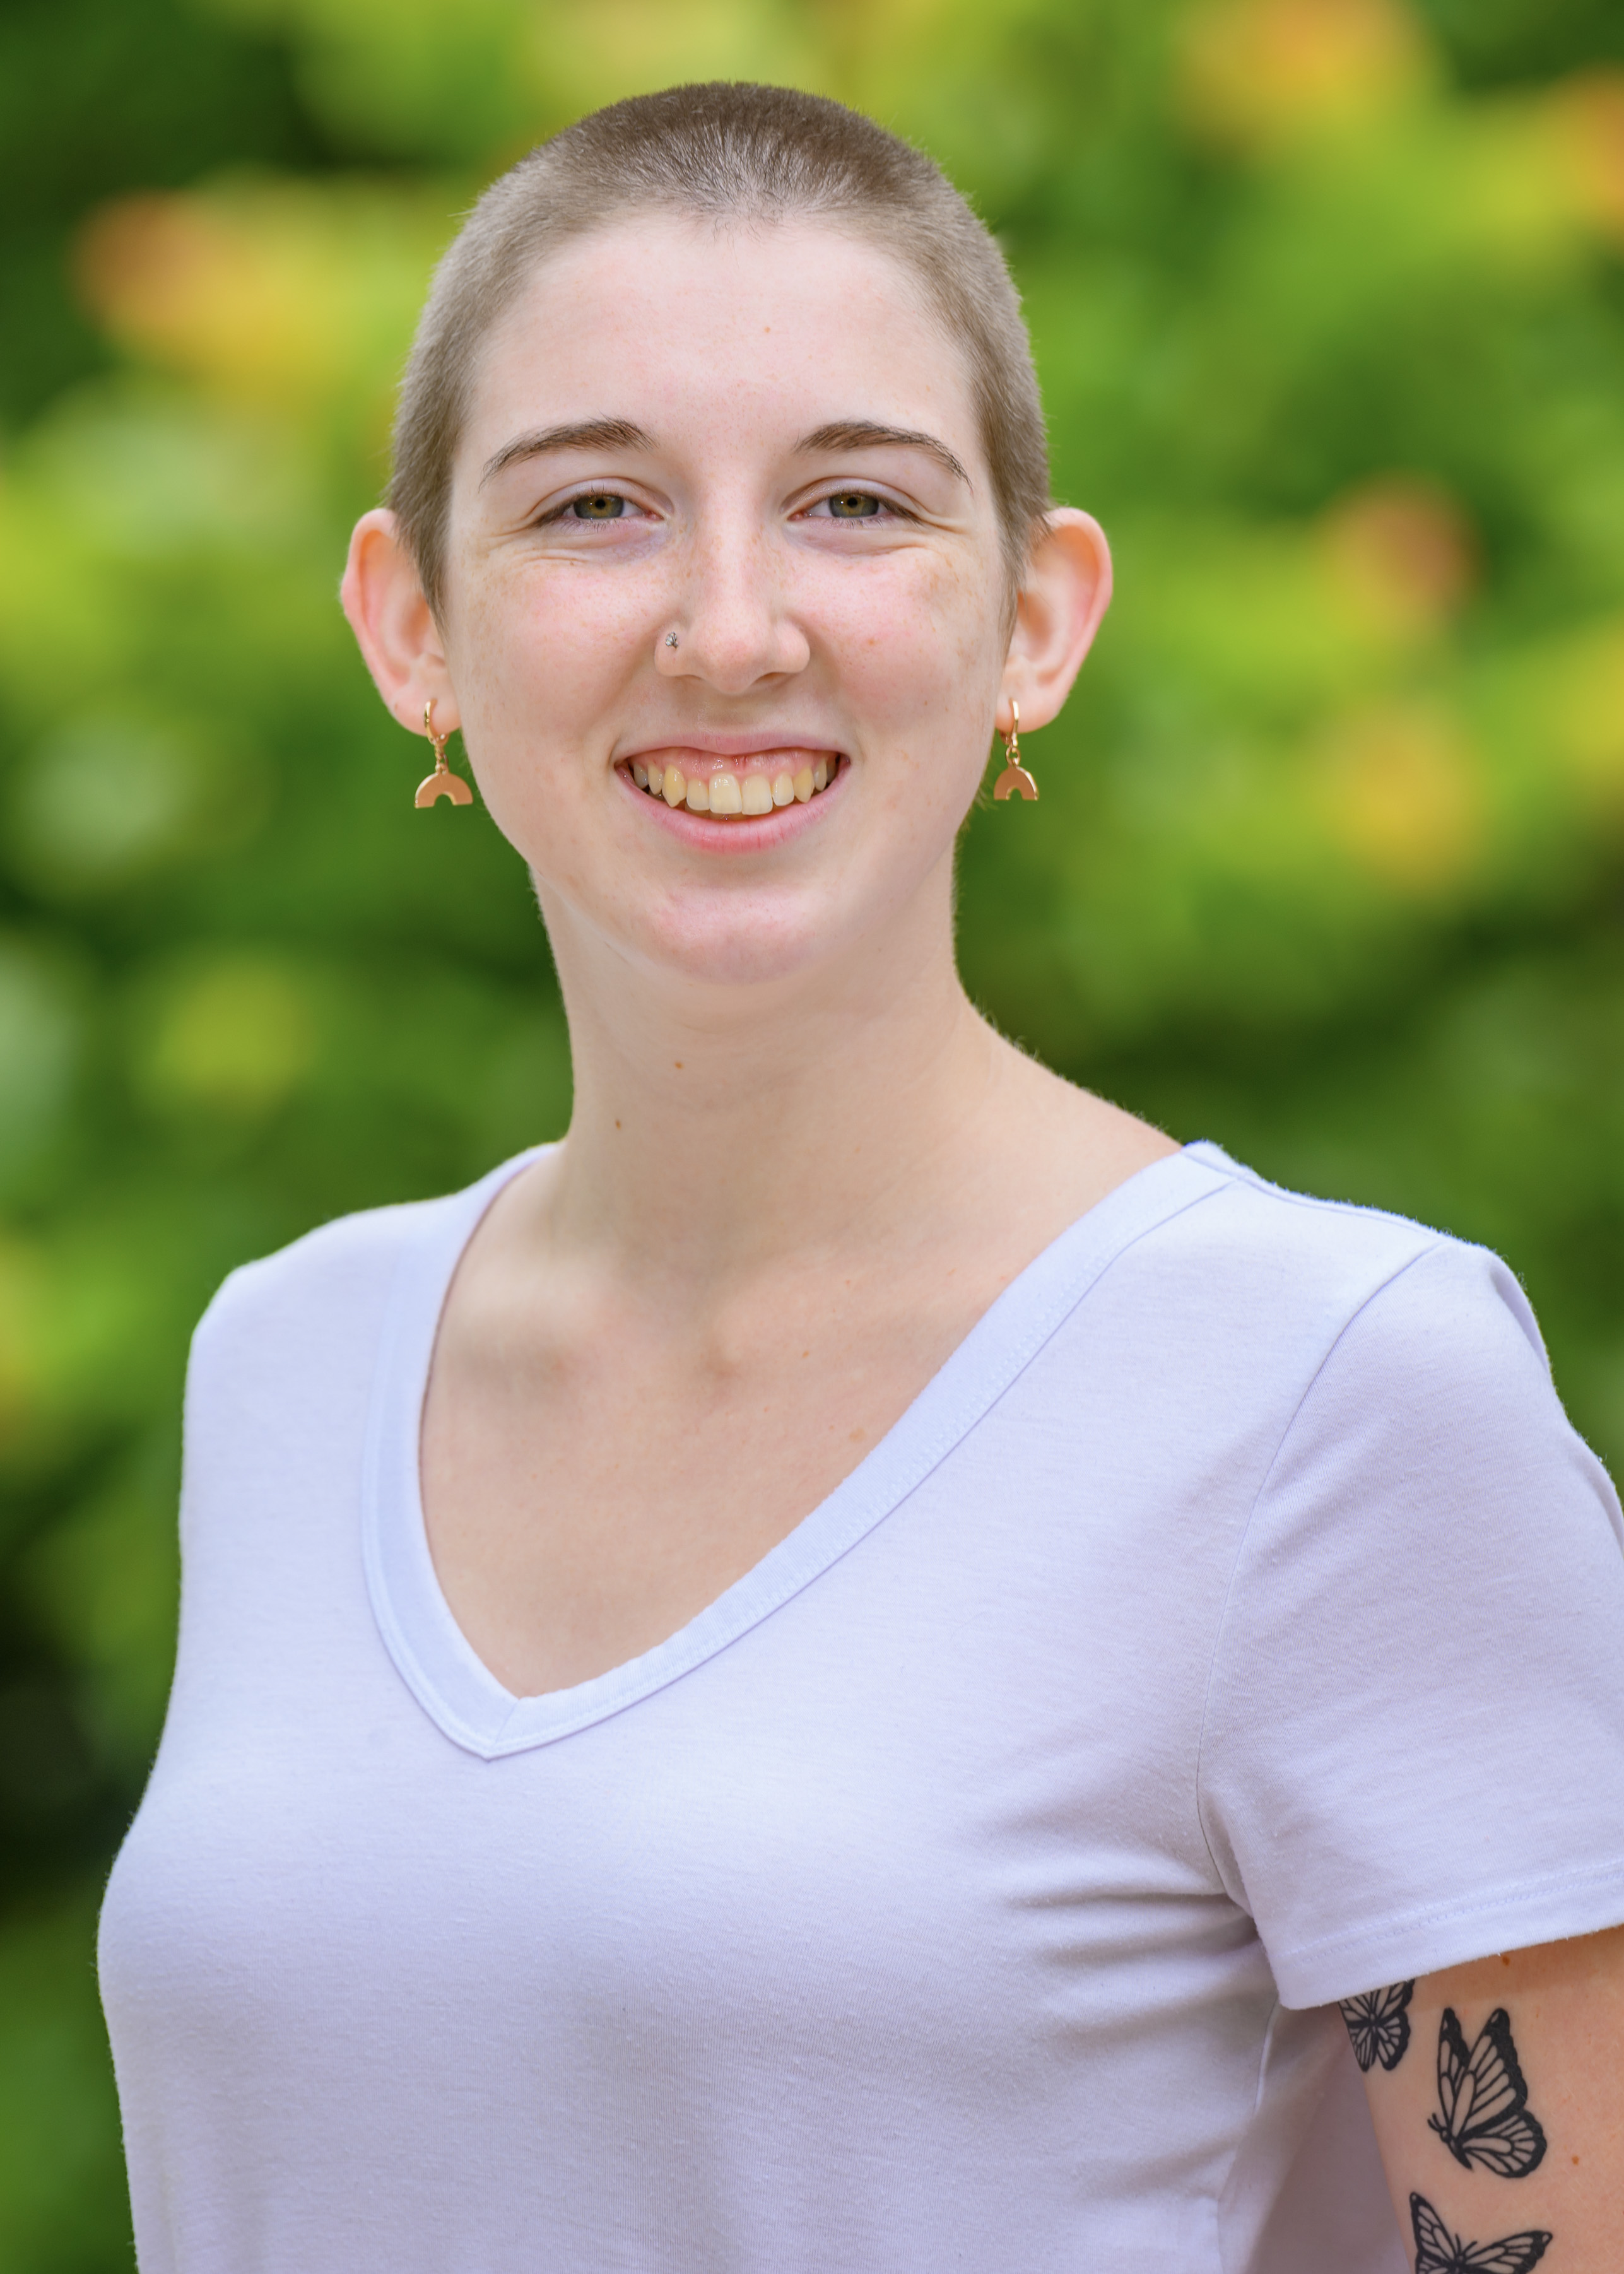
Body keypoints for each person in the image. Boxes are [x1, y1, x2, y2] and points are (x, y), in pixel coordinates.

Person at [97, 81, 1624, 2274]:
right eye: (599, 506)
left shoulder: (1338, 1393)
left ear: (1038, 617)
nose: (731, 627)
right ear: (410, 620)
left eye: (855, 504)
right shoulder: (288, 1356)